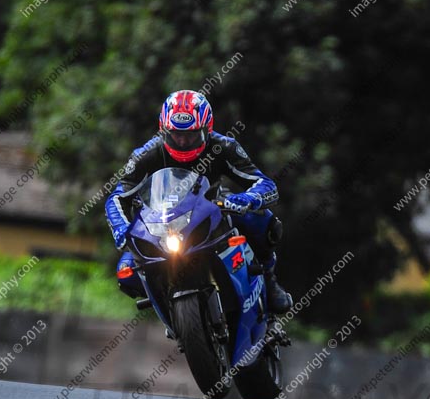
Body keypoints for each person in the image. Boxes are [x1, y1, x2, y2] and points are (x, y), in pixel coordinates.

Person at [105, 89, 292, 314]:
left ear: (207, 129)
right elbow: (117, 196)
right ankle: (165, 303)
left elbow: (265, 183)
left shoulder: (224, 146)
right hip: (161, 223)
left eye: (191, 135)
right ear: (163, 130)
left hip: (212, 212)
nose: (183, 141)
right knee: (126, 272)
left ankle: (269, 280)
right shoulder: (146, 154)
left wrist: (246, 199)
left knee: (264, 221)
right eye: (175, 134)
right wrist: (121, 229)